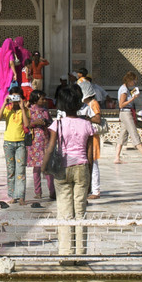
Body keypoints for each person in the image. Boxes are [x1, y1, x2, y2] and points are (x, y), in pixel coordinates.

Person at [43, 83, 95, 222]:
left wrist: (44, 167)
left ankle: (66, 243)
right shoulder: (87, 124)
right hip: (82, 167)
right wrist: (89, 176)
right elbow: (90, 154)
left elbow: (50, 148)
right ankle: (80, 243)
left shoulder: (57, 124)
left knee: (65, 212)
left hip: (63, 168)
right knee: (80, 211)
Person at [0, 90, 29, 207]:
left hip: (20, 143)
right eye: (13, 97)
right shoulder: (7, 109)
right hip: (8, 143)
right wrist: (4, 104)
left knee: (21, 170)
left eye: (17, 97)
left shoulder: (24, 111)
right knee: (11, 170)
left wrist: (22, 107)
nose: (15, 100)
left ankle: (20, 196)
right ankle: (12, 196)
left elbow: (26, 124)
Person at [25, 91, 54, 206]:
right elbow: (26, 124)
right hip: (34, 142)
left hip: (45, 141)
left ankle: (52, 191)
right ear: (35, 100)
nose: (44, 101)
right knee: (36, 167)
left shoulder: (45, 112)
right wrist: (34, 123)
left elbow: (51, 124)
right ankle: (38, 191)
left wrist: (46, 123)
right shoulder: (30, 111)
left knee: (47, 167)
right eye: (42, 99)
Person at [114, 72, 142, 164]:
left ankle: (117, 157)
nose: (134, 82)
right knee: (134, 133)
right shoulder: (124, 90)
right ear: (130, 80)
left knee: (122, 135)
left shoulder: (125, 89)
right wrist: (132, 98)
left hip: (125, 113)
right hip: (126, 113)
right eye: (134, 80)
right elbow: (121, 104)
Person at [0, 37, 26, 112]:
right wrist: (15, 73)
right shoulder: (10, 52)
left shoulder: (0, 51)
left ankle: (1, 105)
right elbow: (11, 63)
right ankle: (9, 105)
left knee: (3, 89)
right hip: (9, 72)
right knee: (9, 88)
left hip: (2, 72)